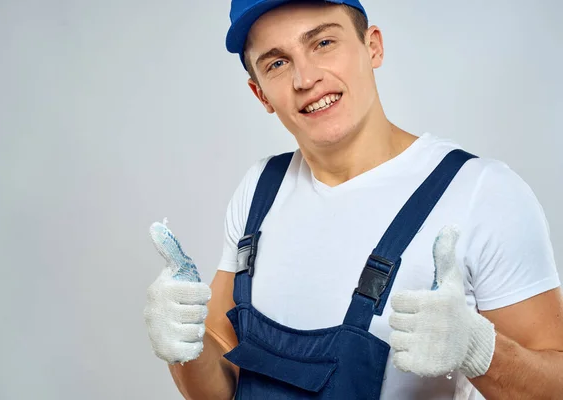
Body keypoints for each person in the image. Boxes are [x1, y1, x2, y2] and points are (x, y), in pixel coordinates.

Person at [143, 1, 563, 399]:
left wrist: (479, 351)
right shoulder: (259, 190)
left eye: (323, 43)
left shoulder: (480, 193)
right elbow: (221, 388)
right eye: (277, 62)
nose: (305, 79)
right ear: (261, 95)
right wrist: (185, 350)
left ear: (373, 46)